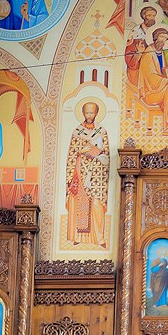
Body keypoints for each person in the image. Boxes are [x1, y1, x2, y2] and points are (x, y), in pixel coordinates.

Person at [65, 102, 109, 247]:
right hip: (81, 173)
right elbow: (72, 153)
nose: (89, 116)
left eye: (92, 113)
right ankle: (77, 236)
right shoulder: (77, 132)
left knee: (96, 204)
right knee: (79, 204)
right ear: (83, 113)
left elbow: (107, 154)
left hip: (97, 176)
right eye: (87, 113)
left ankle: (99, 238)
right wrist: (82, 152)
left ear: (96, 113)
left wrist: (96, 153)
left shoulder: (101, 131)